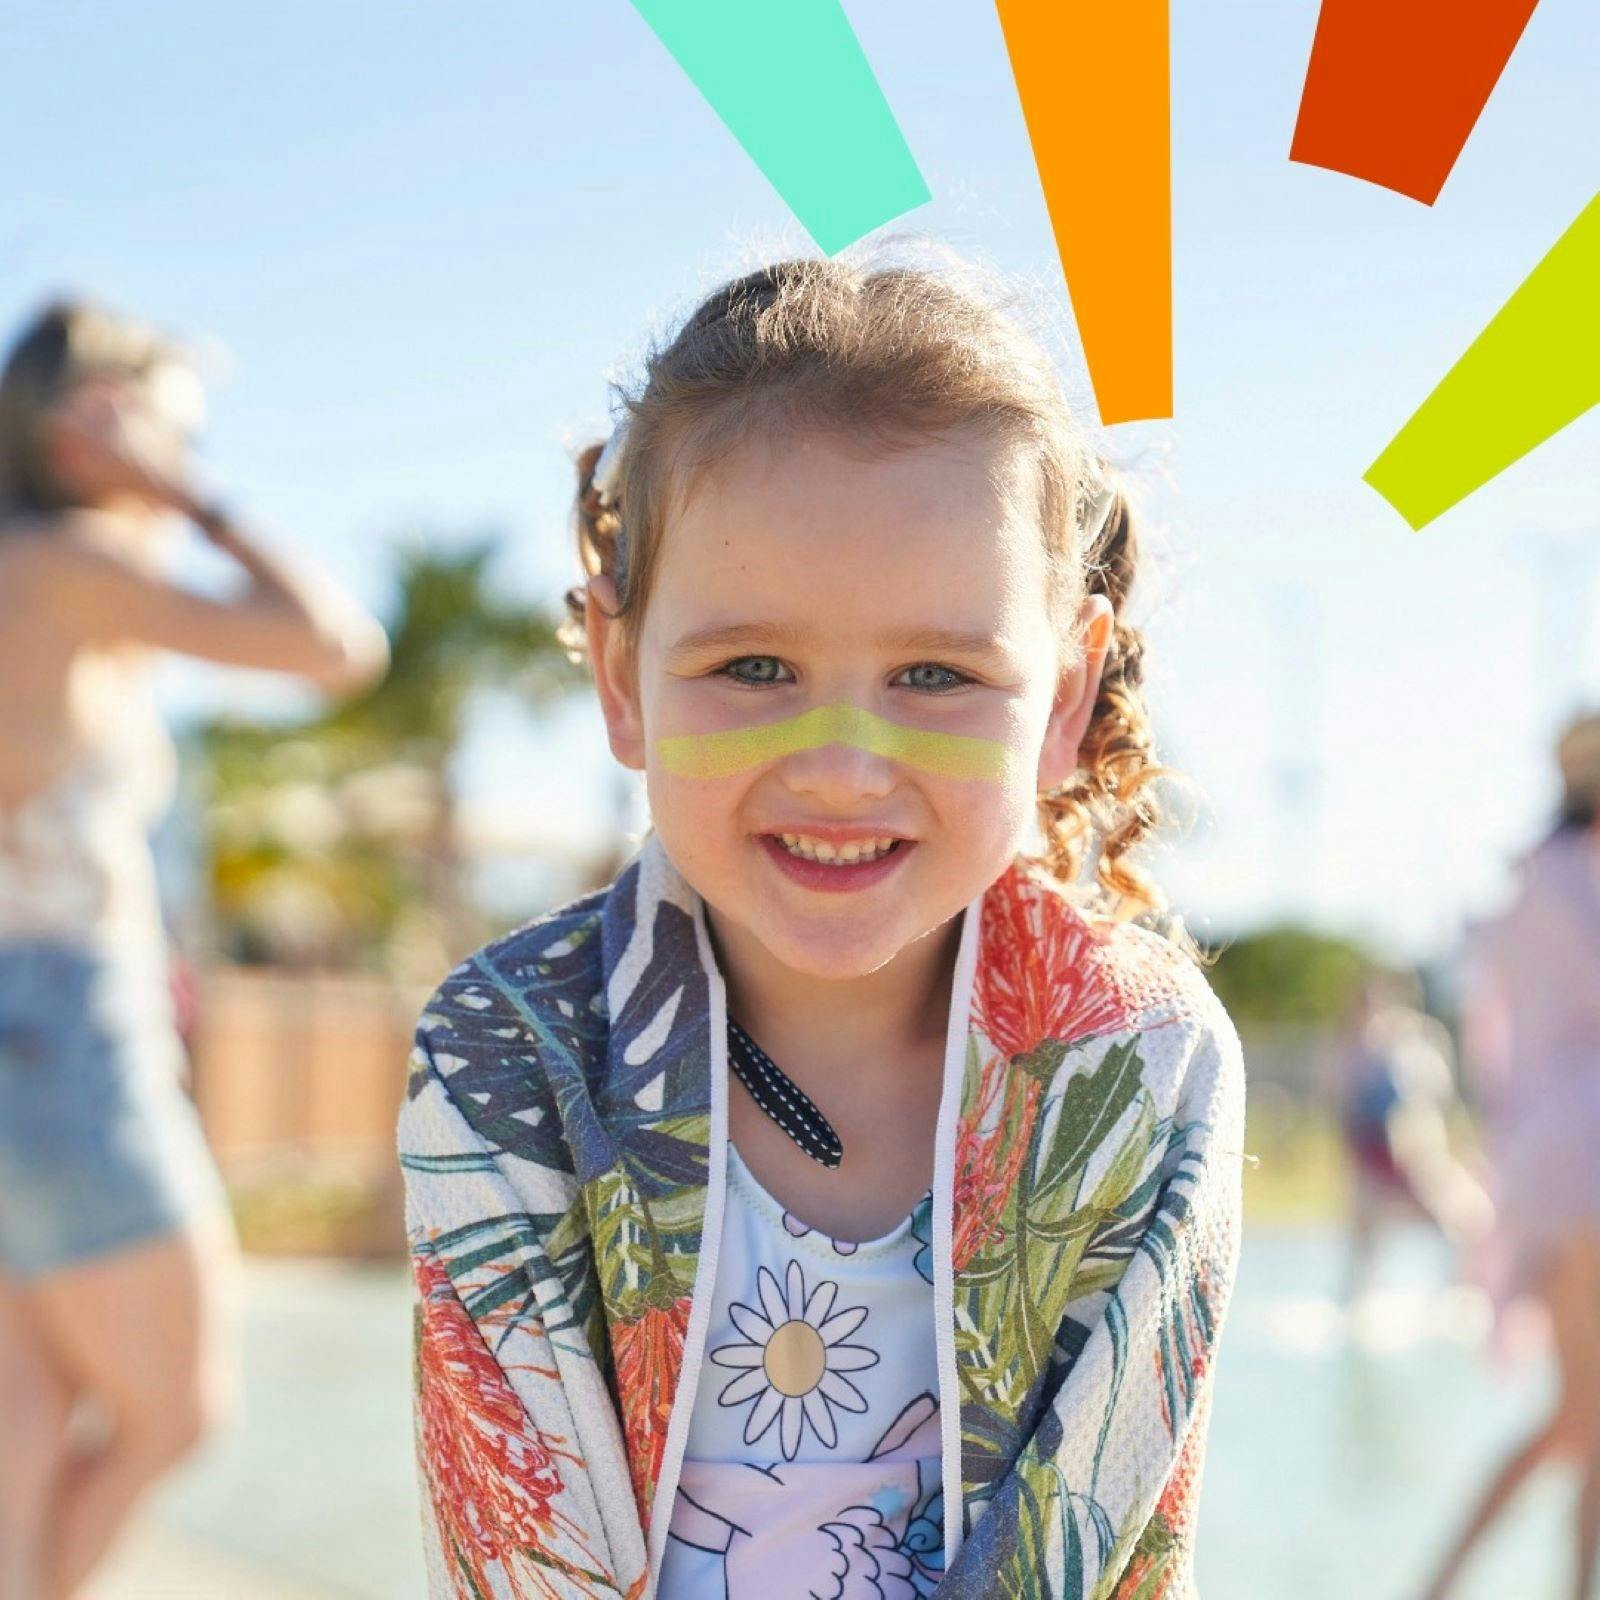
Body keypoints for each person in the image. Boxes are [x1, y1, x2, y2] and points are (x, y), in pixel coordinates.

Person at [397, 252, 1246, 1599]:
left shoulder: (1140, 1060)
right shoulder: (509, 1051)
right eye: (753, 667)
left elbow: (1103, 1551)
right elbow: (519, 1549)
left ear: (1064, 697)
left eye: (935, 674)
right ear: (621, 675)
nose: (844, 768)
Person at [0, 298, 390, 1600]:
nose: (185, 452)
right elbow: (336, 646)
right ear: (92, 427)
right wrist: (192, 499)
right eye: (176, 428)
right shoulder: (63, 563)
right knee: (175, 1410)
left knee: (30, 1420)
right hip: (56, 1022)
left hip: (31, 1023)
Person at [1418, 709, 1600, 1600]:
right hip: (1584, 1161)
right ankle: (1442, 1585)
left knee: (1586, 1419)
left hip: (1555, 1159)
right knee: (1583, 1416)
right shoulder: (1572, 882)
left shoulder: (1536, 879)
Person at [1331, 966, 1490, 1306]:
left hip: (1414, 1154)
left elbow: (1437, 1103)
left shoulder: (1416, 1044)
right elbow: (1345, 1112)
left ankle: (1459, 1295)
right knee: (1366, 1240)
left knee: (1457, 1223)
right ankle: (1354, 1305)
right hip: (1374, 1156)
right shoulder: (1352, 1050)